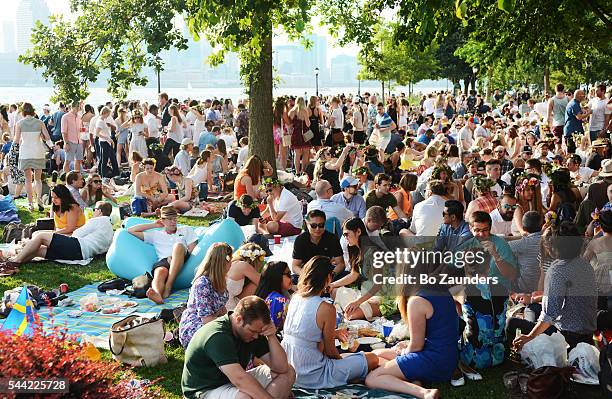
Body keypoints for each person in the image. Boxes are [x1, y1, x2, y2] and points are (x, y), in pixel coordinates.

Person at [282, 256, 378, 389]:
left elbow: (306, 334)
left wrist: (334, 333)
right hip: (314, 375)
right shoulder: (326, 308)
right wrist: (342, 364)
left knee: (353, 357)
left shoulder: (295, 298)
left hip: (290, 370)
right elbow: (330, 351)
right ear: (328, 278)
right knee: (373, 358)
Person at [366, 264, 458, 399]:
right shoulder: (439, 288)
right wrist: (407, 344)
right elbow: (438, 332)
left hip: (435, 361)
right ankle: (414, 380)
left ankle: (424, 393)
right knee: (376, 355)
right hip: (448, 357)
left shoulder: (417, 301)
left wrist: (404, 351)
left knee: (372, 378)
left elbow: (416, 347)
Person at [182, 296, 295, 399]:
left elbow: (282, 368)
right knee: (244, 397)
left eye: (259, 332)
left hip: (230, 381)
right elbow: (239, 379)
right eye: (253, 331)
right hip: (204, 390)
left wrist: (271, 336)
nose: (256, 336)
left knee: (288, 372)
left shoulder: (254, 330)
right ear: (238, 319)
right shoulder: (217, 335)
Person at [511, 222, 597, 351]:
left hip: (567, 336)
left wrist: (529, 337)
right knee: (533, 307)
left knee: (511, 323)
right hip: (587, 333)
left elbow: (549, 314)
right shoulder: (585, 265)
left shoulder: (557, 270)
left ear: (552, 247)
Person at [1, 201, 113, 267]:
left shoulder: (99, 220)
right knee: (37, 251)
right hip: (82, 254)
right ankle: (13, 261)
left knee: (40, 236)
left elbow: (77, 234)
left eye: (95, 210)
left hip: (78, 247)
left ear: (99, 211)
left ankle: (14, 261)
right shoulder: (110, 229)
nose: (93, 212)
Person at [127, 206, 198, 304]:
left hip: (182, 257)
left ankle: (168, 286)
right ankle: (157, 296)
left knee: (178, 246)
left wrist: (174, 257)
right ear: (162, 220)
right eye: (169, 219)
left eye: (175, 218)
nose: (173, 222)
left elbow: (193, 249)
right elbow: (131, 230)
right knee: (160, 271)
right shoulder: (156, 235)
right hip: (164, 261)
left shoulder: (186, 230)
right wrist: (154, 224)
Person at [179, 243, 232, 348]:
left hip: (213, 322)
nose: (231, 263)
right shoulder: (203, 283)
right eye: (230, 260)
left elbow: (222, 309)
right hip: (196, 327)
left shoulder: (220, 280)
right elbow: (206, 320)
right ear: (223, 262)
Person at [15, 102, 53, 212]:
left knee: (27, 179)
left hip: (26, 152)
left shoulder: (20, 123)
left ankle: (30, 203)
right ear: (33, 111)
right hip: (38, 151)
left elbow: (16, 140)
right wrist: (51, 146)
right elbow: (47, 137)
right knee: (38, 179)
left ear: (23, 111)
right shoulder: (40, 122)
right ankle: (39, 200)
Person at [292, 209, 344, 275]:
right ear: (307, 224)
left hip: (327, 272)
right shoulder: (300, 240)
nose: (317, 229)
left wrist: (332, 275)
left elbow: (340, 264)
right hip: (307, 272)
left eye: (321, 225)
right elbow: (295, 266)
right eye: (313, 226)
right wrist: (305, 275)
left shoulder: (332, 238)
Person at [508, 211, 543, 296]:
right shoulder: (549, 241)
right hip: (545, 288)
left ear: (523, 228)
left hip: (525, 289)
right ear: (541, 226)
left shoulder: (522, 243)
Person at [225, 243, 264, 311]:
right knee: (257, 285)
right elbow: (264, 283)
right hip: (229, 308)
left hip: (224, 303)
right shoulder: (243, 265)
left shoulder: (232, 263)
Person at [255, 261, 292, 330]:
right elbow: (275, 329)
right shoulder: (277, 300)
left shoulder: (268, 295)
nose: (291, 277)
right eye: (288, 274)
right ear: (277, 277)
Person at [95, 106, 120, 178]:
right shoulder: (100, 121)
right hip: (104, 142)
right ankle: (103, 176)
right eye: (108, 114)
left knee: (109, 158)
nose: (108, 115)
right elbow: (97, 133)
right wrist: (107, 138)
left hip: (106, 141)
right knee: (104, 160)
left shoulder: (102, 120)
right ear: (105, 113)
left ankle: (114, 173)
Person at [564, 89, 591, 153]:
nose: (584, 97)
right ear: (579, 96)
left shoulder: (575, 103)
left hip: (573, 130)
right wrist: (589, 112)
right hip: (572, 132)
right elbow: (579, 117)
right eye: (583, 95)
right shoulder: (574, 104)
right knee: (572, 152)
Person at [289, 97, 312, 175]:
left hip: (295, 134)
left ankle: (297, 172)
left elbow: (289, 126)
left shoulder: (291, 111)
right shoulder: (304, 111)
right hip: (304, 134)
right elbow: (308, 124)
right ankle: (303, 170)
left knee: (297, 154)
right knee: (306, 153)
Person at [60, 103, 83, 173]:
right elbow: (63, 131)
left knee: (78, 161)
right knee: (67, 161)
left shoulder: (79, 117)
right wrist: (66, 143)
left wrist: (82, 129)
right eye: (78, 107)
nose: (79, 109)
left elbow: (80, 128)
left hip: (79, 141)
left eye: (79, 107)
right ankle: (67, 178)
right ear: (72, 107)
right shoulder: (65, 117)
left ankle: (77, 177)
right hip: (70, 141)